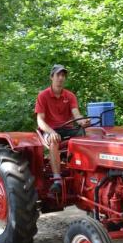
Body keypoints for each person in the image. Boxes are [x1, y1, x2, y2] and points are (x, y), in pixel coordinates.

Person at [35, 64, 90, 194]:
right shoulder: (43, 95)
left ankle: (83, 172)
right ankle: (57, 180)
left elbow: (76, 114)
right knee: (54, 140)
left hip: (67, 128)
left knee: (87, 136)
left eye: (63, 75)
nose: (61, 78)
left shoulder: (70, 96)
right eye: (58, 75)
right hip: (50, 129)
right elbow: (40, 120)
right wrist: (51, 132)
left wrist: (83, 121)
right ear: (51, 77)